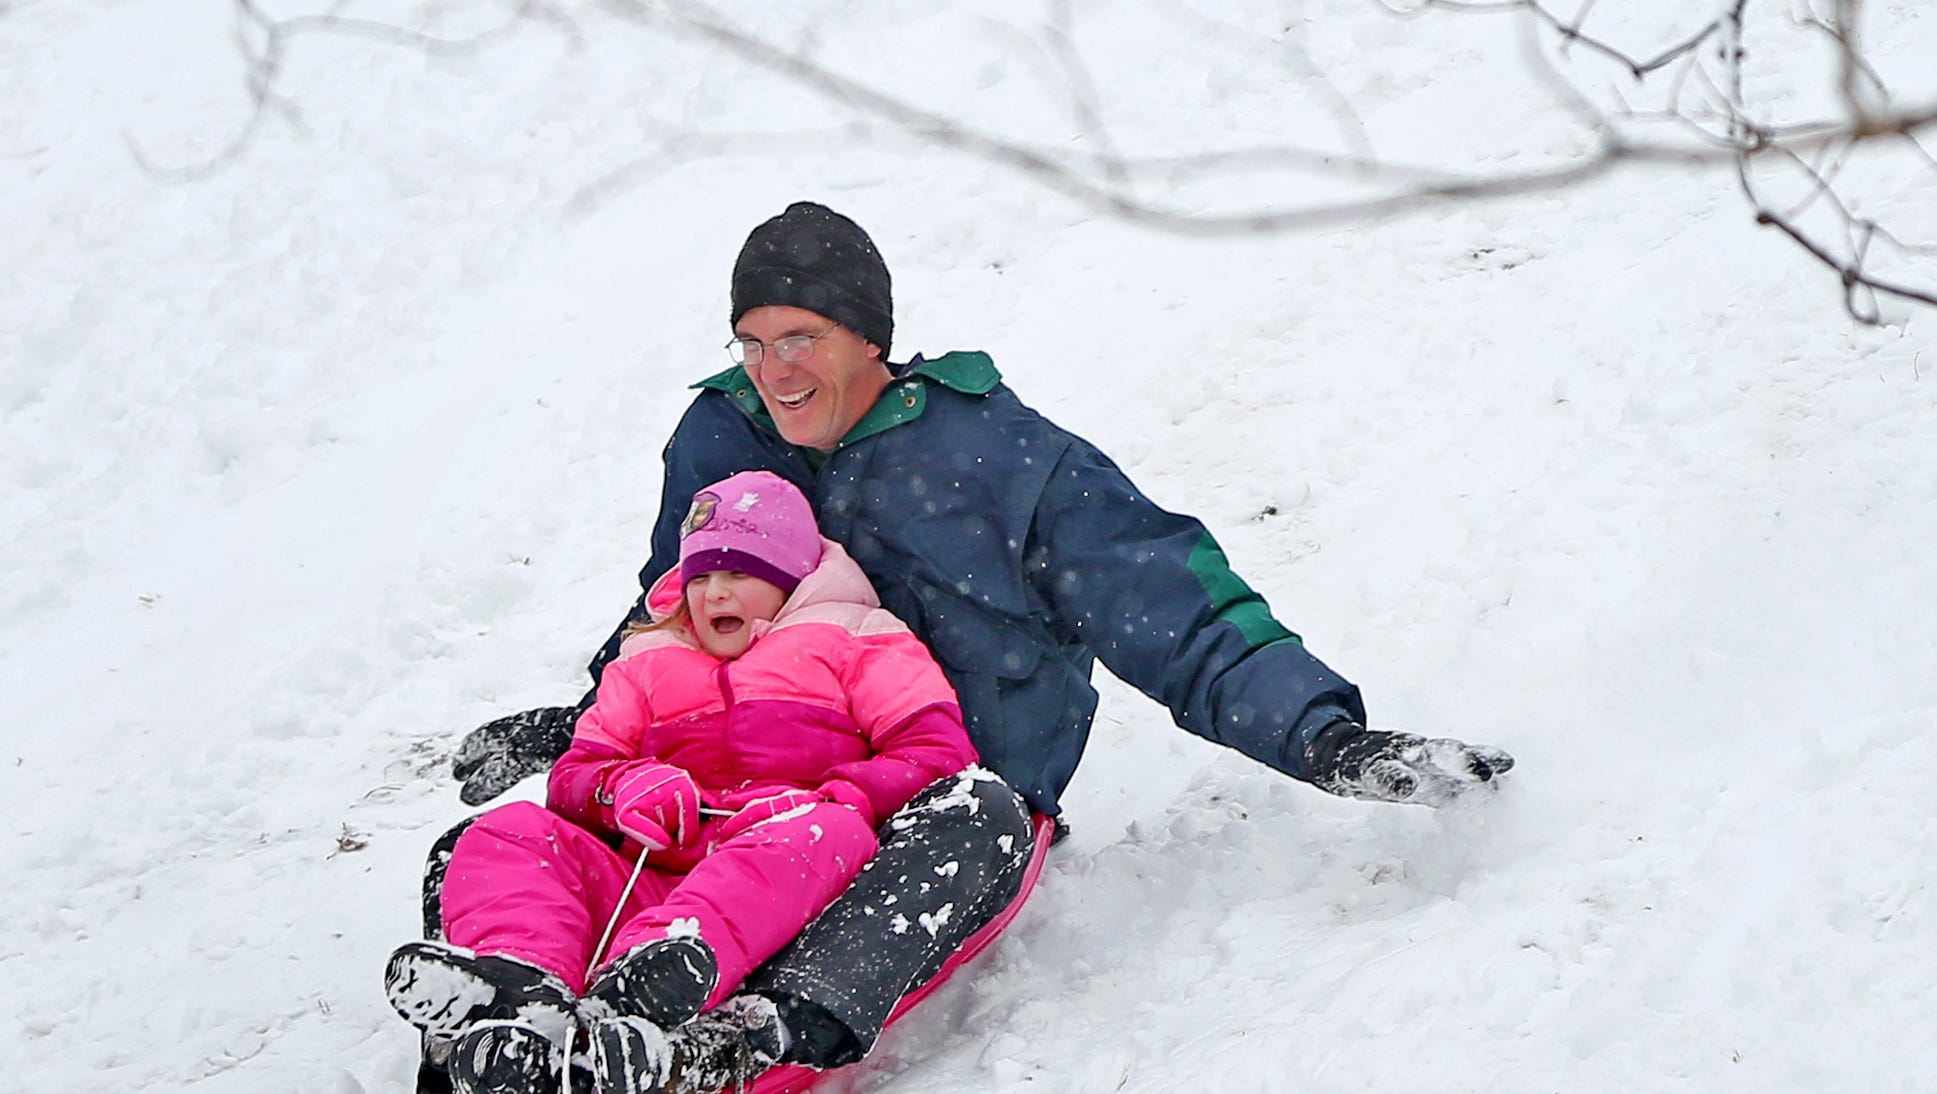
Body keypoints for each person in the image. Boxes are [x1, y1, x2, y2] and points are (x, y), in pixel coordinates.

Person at [436, 201, 1515, 1092]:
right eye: (753, 343)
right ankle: (512, 1035)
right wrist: (585, 725)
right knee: (491, 846)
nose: (775, 369)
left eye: (801, 337)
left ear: (870, 336)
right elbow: (671, 608)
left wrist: (1323, 736)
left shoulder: (998, 457)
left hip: (921, 811)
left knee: (980, 816)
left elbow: (1163, 599)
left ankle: (750, 1036)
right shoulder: (721, 433)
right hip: (731, 797)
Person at [388, 470, 979, 1094]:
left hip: (792, 878)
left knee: (820, 830)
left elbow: (937, 752)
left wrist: (837, 798)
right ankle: (521, 988)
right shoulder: (647, 659)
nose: (713, 593)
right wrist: (622, 788)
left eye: (739, 574)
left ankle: (649, 980)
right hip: (653, 872)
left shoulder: (854, 639)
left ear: (791, 580)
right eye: (698, 578)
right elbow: (575, 775)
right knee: (508, 832)